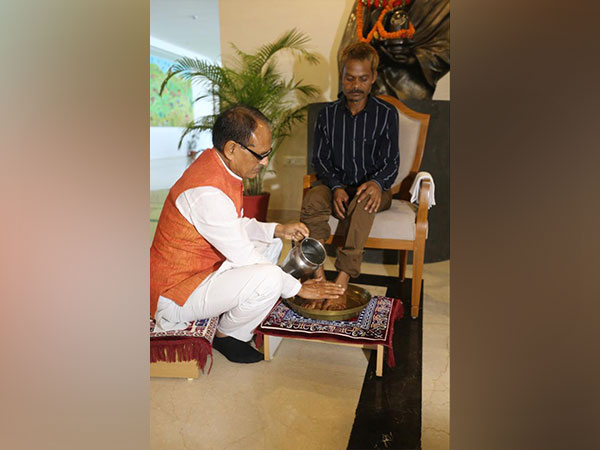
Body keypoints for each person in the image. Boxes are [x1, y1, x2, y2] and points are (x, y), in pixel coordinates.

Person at [150, 105, 345, 364]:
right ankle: (229, 335)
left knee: (271, 242)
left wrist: (277, 228)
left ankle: (245, 305)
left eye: (267, 153)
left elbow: (234, 224)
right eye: (260, 155)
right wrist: (298, 289)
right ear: (232, 148)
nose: (265, 162)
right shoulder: (206, 192)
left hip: (201, 271)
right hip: (175, 293)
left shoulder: (217, 164)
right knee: (270, 278)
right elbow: (243, 255)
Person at [300, 42, 400, 311]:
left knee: (365, 200)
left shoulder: (387, 114)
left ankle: (342, 279)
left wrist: (377, 184)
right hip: (336, 184)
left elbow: (392, 162)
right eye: (350, 77)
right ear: (342, 76)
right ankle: (319, 276)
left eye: (363, 78)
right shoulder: (327, 115)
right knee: (311, 200)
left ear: (373, 78)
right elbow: (320, 159)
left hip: (376, 189)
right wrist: (334, 187)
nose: (356, 85)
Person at [338, 0, 450, 101]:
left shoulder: (443, 4)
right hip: (368, 93)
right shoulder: (366, 3)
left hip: (410, 89)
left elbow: (447, 50)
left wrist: (414, 59)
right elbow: (347, 48)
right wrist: (370, 55)